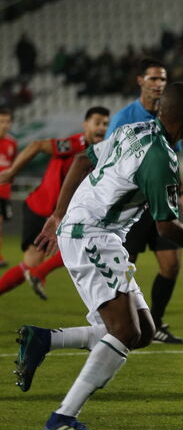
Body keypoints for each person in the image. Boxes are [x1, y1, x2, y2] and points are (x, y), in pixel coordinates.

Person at [15, 82, 183, 430]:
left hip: (97, 232)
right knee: (124, 330)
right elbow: (167, 227)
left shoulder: (134, 129)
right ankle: (62, 418)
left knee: (144, 331)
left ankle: (44, 340)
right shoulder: (161, 159)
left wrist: (58, 213)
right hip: (91, 234)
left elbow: (81, 160)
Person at [107, 58, 183, 344]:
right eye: (154, 79)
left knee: (171, 264)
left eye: (163, 80)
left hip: (158, 201)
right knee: (123, 266)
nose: (159, 84)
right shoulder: (124, 118)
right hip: (131, 205)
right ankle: (113, 322)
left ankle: (155, 323)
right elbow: (108, 159)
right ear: (140, 81)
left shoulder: (169, 116)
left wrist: (182, 191)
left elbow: (173, 157)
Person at [0, 106, 109, 299]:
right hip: (41, 209)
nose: (102, 127)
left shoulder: (101, 153)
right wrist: (12, 171)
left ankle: (38, 273)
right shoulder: (76, 144)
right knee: (75, 248)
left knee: (39, 260)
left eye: (105, 124)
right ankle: (39, 273)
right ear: (85, 125)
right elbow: (36, 145)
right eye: (97, 122)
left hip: (60, 214)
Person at [0, 108, 18, 267]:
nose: (5, 125)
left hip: (4, 191)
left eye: (7, 122)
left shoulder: (12, 142)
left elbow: (12, 166)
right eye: (1, 122)